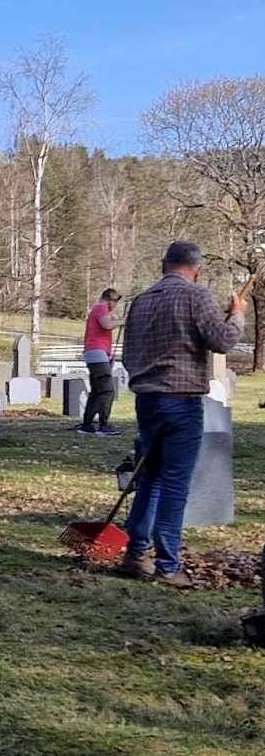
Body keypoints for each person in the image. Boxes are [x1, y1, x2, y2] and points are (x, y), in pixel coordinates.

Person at [118, 241, 245, 588]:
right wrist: (237, 315)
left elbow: (128, 354)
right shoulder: (196, 296)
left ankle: (135, 553)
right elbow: (221, 342)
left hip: (147, 399)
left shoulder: (141, 301)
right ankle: (168, 564)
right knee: (175, 483)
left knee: (151, 477)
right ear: (197, 268)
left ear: (164, 264)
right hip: (181, 400)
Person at [76, 288, 123, 435]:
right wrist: (124, 320)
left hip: (95, 353)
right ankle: (104, 425)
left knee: (97, 390)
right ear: (110, 300)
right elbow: (107, 325)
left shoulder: (98, 310)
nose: (115, 306)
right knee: (107, 390)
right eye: (115, 302)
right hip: (97, 352)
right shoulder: (101, 308)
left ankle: (87, 424)